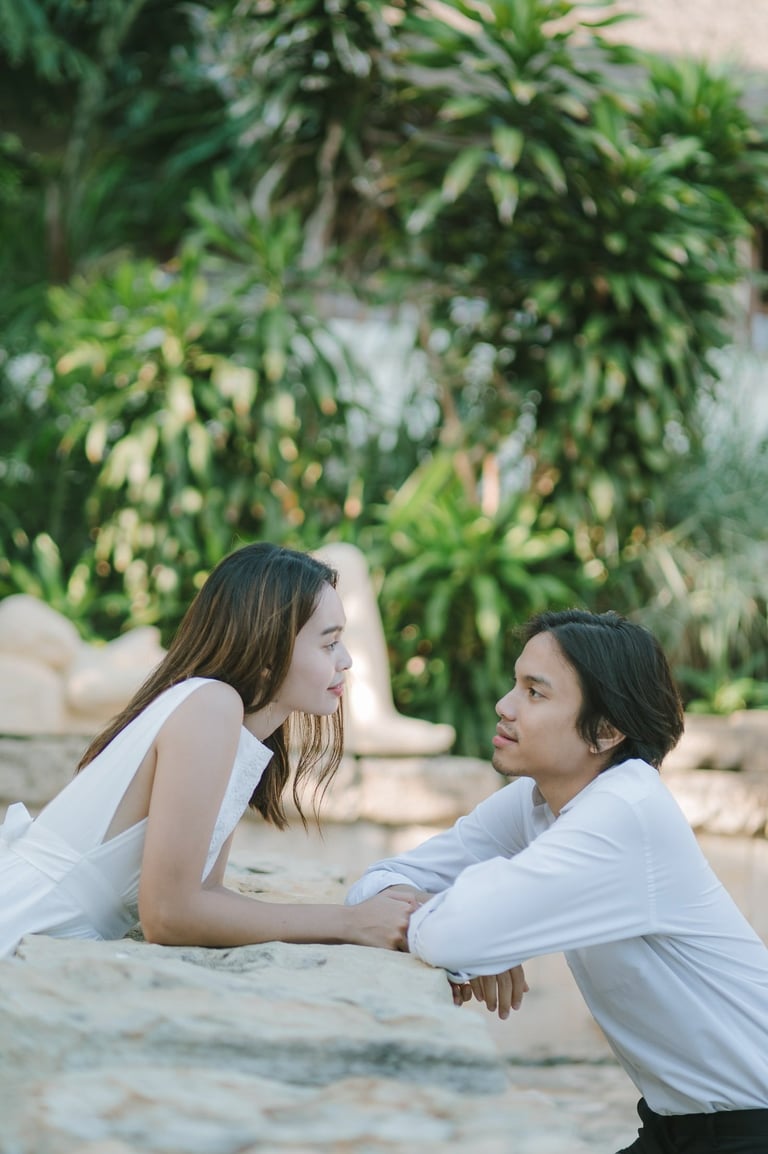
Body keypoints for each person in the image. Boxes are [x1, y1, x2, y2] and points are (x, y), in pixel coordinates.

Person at [346, 609, 768, 1154]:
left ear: (605, 730)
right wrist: (483, 936)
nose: (505, 705)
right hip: (676, 1127)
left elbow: (456, 936)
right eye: (515, 684)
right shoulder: (540, 802)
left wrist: (484, 934)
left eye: (535, 693)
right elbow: (375, 883)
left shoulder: (624, 812)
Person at [0, 542, 416, 958]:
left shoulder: (232, 725)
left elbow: (204, 894)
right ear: (268, 652)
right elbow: (169, 914)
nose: (346, 661)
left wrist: (354, 920)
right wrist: (349, 923)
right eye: (329, 644)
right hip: (22, 922)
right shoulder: (209, 705)